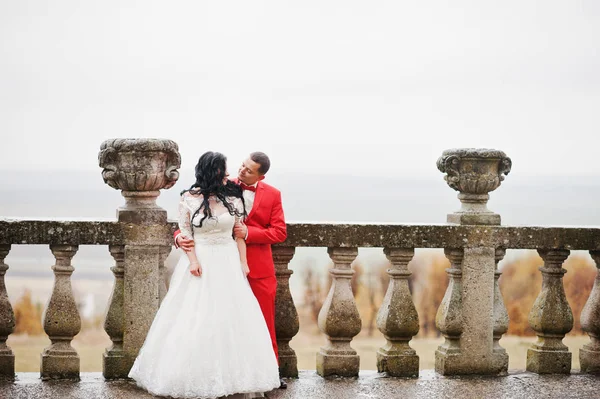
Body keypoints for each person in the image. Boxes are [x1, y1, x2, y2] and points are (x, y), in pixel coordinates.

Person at [129, 151, 280, 399]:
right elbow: (184, 229)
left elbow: (246, 234)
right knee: (197, 317)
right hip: (202, 261)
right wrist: (187, 251)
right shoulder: (191, 198)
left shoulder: (235, 196)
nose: (234, 173)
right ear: (214, 173)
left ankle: (241, 376)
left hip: (229, 263)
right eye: (230, 168)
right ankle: (193, 375)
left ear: (260, 176)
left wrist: (243, 262)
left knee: (234, 319)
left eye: (246, 169)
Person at [174, 151, 288, 389]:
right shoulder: (224, 184)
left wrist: (249, 233)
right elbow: (196, 216)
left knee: (261, 322)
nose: (241, 172)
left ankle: (269, 373)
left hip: (255, 267)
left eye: (248, 170)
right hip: (217, 263)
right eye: (241, 166)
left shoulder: (273, 195)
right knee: (214, 319)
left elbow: (279, 232)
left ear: (261, 175)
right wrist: (178, 237)